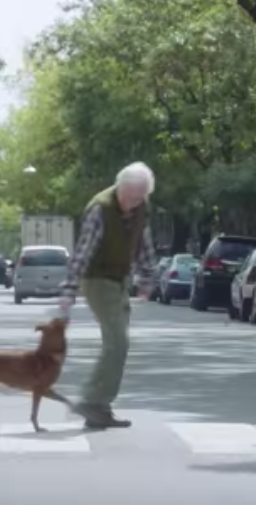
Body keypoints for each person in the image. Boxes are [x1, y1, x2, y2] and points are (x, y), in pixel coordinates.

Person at [58, 161, 157, 429]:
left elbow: (143, 243)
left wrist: (147, 277)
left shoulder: (141, 208)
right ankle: (92, 400)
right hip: (97, 279)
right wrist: (69, 290)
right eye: (128, 198)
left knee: (117, 345)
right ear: (119, 187)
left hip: (120, 279)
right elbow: (83, 252)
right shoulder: (100, 209)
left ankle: (99, 408)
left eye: (138, 199)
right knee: (118, 343)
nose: (131, 204)